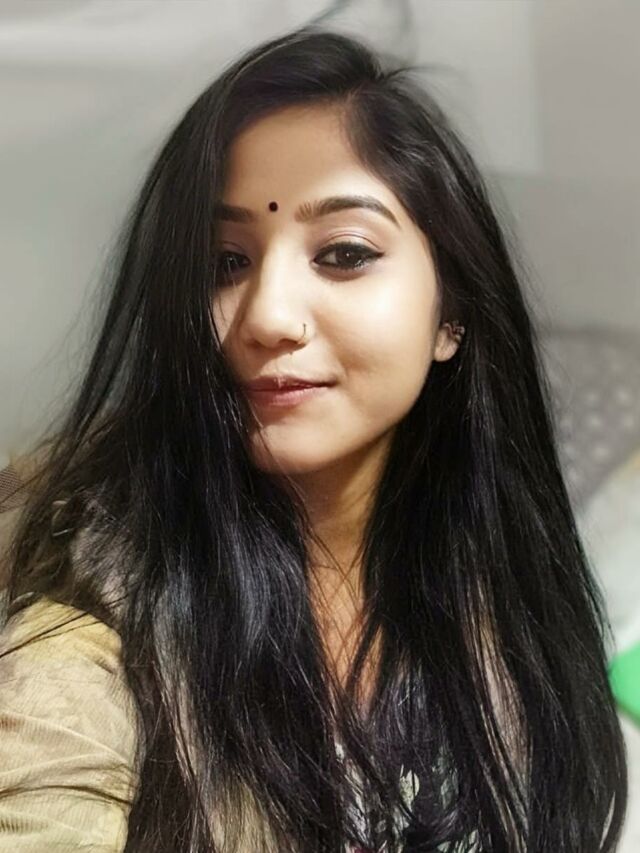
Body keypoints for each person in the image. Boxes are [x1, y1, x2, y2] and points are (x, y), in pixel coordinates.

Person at [0, 25, 627, 853]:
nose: (266, 316)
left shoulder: (495, 572)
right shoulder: (84, 634)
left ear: (451, 313)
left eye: (343, 253)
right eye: (224, 263)